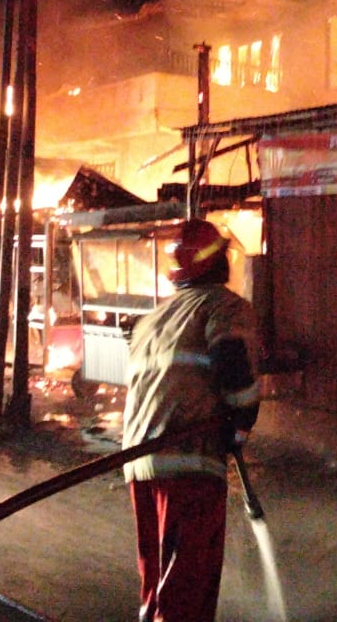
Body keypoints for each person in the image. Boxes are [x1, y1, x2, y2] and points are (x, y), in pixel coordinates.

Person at [121, 218, 261, 622]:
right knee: (187, 592)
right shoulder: (224, 305)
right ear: (219, 261)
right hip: (189, 461)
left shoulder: (154, 318)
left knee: (157, 587)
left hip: (139, 463)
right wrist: (241, 424)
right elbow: (232, 363)